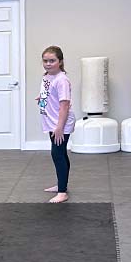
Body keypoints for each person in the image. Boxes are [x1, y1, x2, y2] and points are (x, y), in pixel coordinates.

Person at [37, 46, 75, 204]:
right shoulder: (47, 77)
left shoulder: (62, 80)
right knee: (60, 153)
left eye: (52, 61)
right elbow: (49, 92)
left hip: (60, 123)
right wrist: (42, 98)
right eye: (45, 61)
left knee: (57, 154)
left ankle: (62, 192)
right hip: (51, 121)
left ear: (60, 61)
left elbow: (64, 105)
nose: (48, 64)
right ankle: (61, 184)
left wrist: (59, 128)